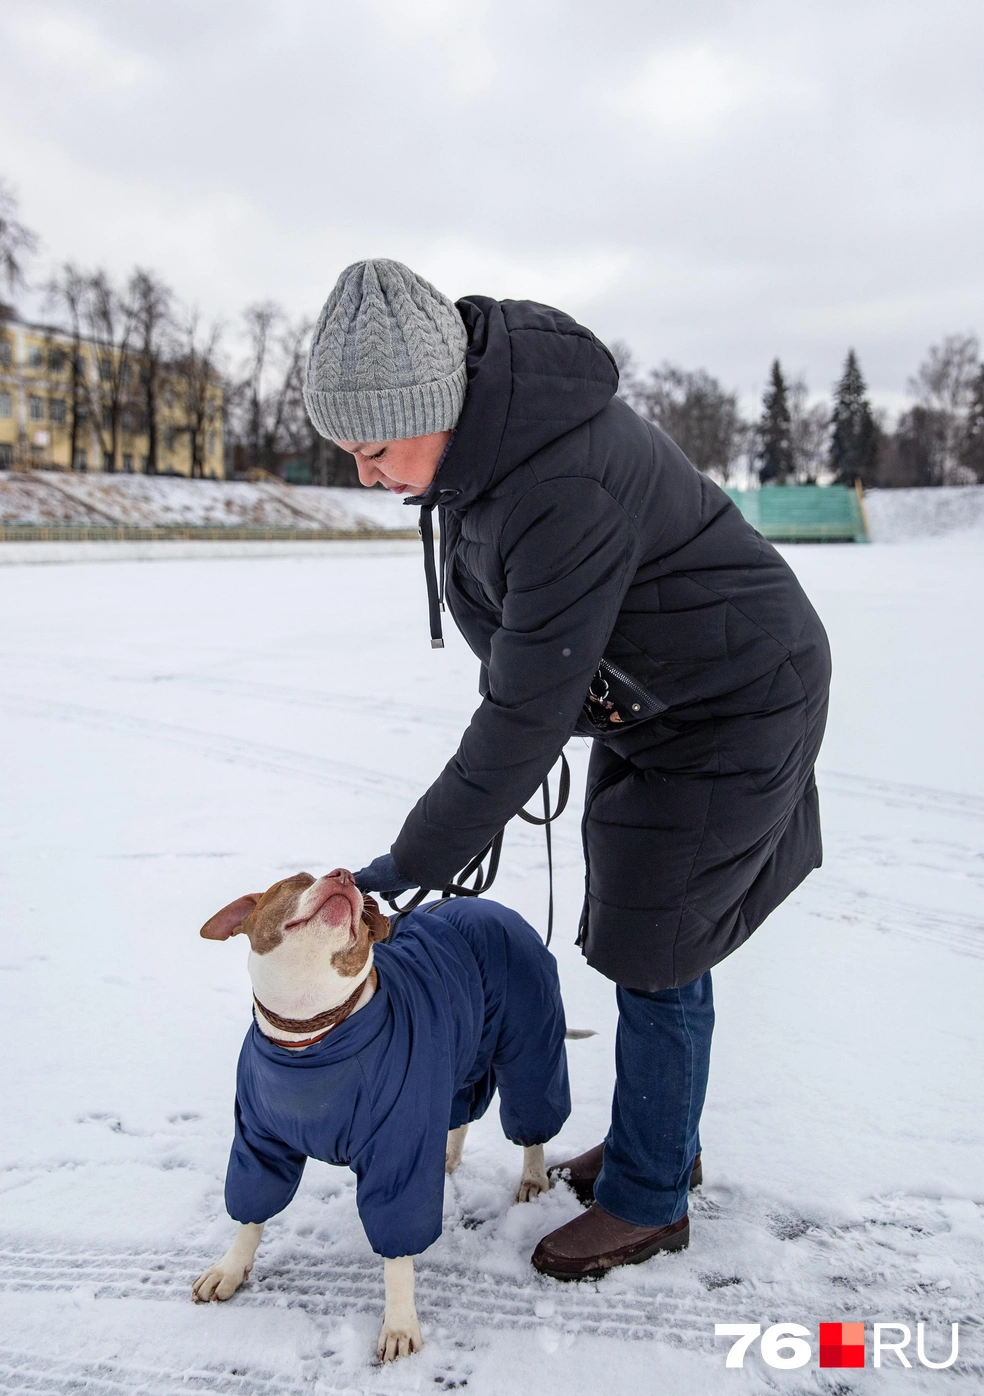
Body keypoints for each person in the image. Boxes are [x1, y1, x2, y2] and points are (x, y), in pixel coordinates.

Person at [302, 258, 831, 1279]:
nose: (364, 475)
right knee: (653, 929)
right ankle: (661, 1139)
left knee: (655, 942)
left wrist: (409, 861)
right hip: (663, 697)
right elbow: (531, 674)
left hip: (735, 703)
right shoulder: (485, 450)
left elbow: (522, 709)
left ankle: (650, 1196)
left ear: (431, 402)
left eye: (373, 449)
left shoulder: (557, 481)